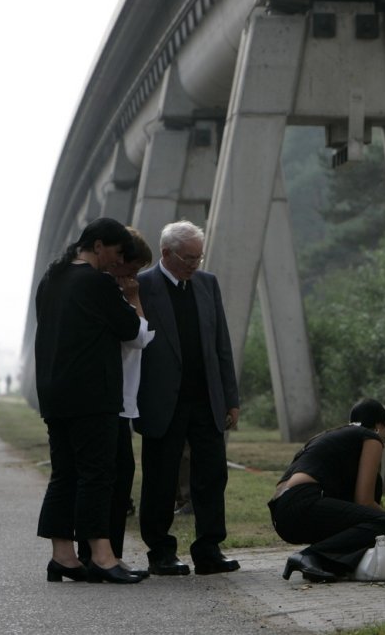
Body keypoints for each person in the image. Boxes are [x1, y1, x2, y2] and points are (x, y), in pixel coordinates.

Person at [34, 217, 145, 585]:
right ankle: (102, 555)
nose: (117, 261)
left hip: (55, 391)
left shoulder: (52, 277)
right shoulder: (96, 283)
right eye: (116, 252)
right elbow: (130, 329)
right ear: (98, 246)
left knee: (64, 473)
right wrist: (129, 298)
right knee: (97, 473)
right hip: (91, 394)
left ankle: (63, 556)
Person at [134, 220, 240, 577]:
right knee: (160, 478)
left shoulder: (208, 284)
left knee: (212, 475)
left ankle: (209, 548)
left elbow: (220, 344)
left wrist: (230, 397)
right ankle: (160, 550)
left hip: (206, 398)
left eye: (199, 257)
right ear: (166, 253)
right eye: (188, 258)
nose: (195, 264)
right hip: (162, 401)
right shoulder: (143, 285)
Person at [76, 227, 155, 576]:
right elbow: (138, 338)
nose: (133, 278)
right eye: (130, 270)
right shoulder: (108, 292)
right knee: (112, 476)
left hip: (122, 398)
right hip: (111, 398)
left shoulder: (109, 290)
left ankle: (107, 553)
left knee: (117, 476)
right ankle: (101, 555)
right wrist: (135, 299)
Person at [269, 398, 385, 582]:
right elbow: (364, 501)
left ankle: (323, 562)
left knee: (371, 519)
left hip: (282, 516)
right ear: (379, 426)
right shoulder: (371, 438)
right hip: (304, 503)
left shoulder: (331, 437)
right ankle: (310, 556)